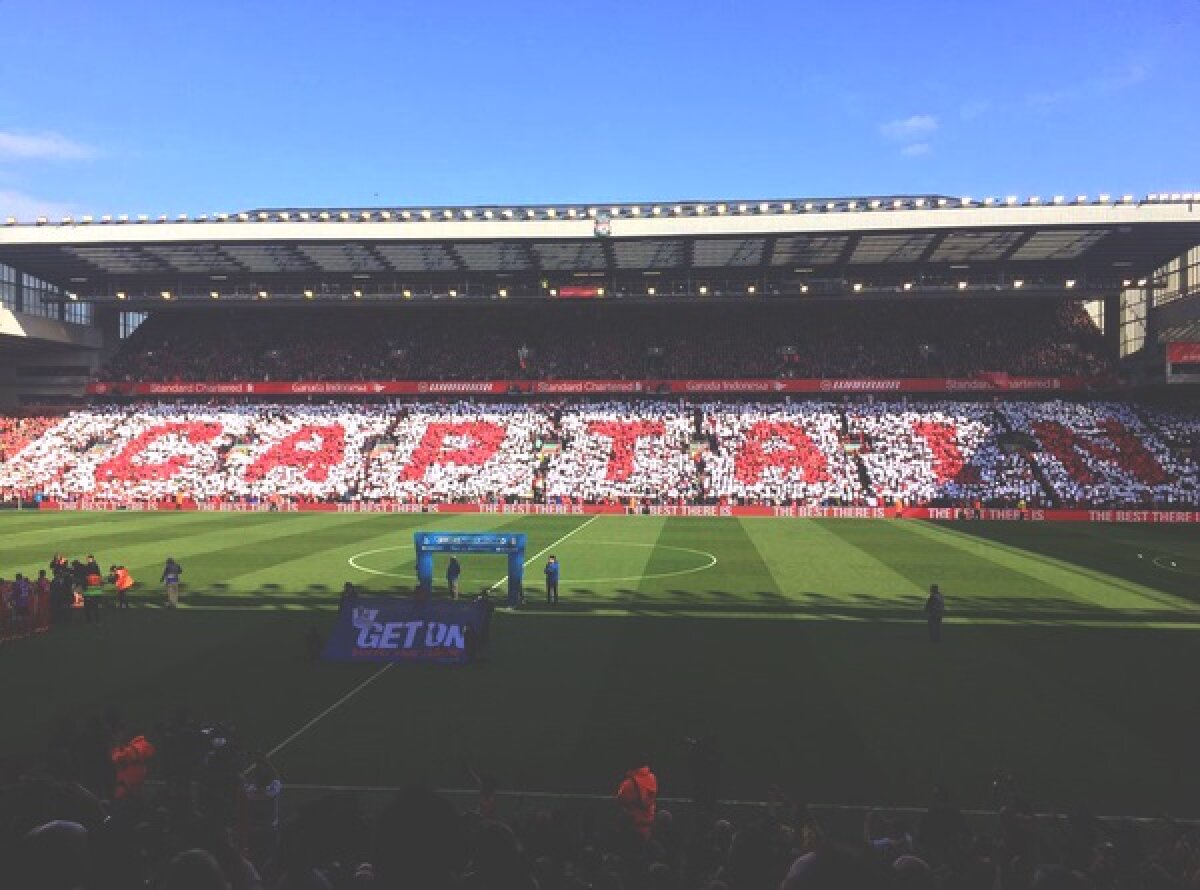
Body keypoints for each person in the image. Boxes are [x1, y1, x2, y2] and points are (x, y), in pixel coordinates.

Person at [616, 758, 658, 842]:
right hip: (648, 823)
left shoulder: (628, 783)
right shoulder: (652, 778)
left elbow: (621, 799)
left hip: (633, 823)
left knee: (632, 849)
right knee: (645, 849)